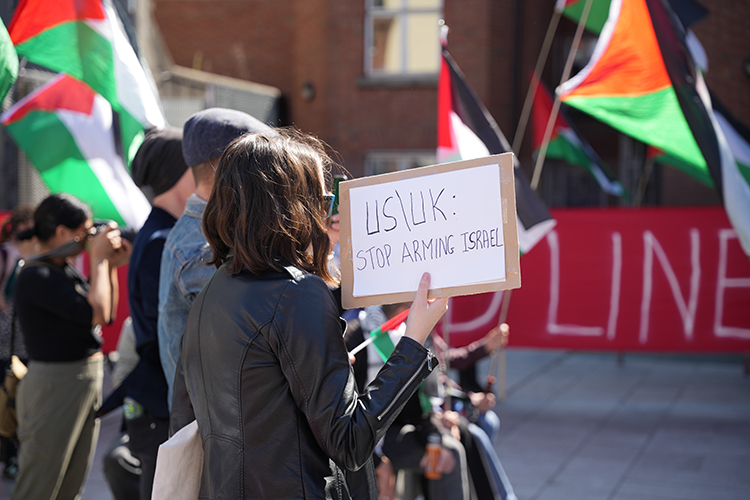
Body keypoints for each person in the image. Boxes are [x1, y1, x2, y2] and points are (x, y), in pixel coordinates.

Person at [169, 130, 448, 499]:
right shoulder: (298, 293)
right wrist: (413, 340)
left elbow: (188, 415)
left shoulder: (213, 289)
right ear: (293, 206)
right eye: (324, 199)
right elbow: (350, 442)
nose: (327, 212)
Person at [11, 194, 130, 500]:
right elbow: (94, 312)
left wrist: (110, 265)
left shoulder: (62, 269)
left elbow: (108, 314)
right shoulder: (35, 275)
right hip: (55, 385)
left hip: (77, 382)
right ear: (63, 233)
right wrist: (100, 260)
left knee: (69, 486)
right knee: (40, 486)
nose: (89, 239)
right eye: (85, 231)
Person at [100, 126, 195, 500]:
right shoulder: (161, 240)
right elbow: (168, 333)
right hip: (161, 404)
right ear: (177, 174)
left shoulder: (158, 232)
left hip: (157, 402)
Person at [158, 108, 273, 407]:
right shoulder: (203, 246)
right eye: (259, 161)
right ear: (232, 166)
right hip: (216, 431)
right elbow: (270, 323)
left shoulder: (204, 233)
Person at [0, 206, 34, 479]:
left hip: (23, 338)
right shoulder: (6, 253)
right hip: (6, 338)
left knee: (20, 394)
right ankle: (10, 455)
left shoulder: (31, 256)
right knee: (8, 394)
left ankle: (19, 454)